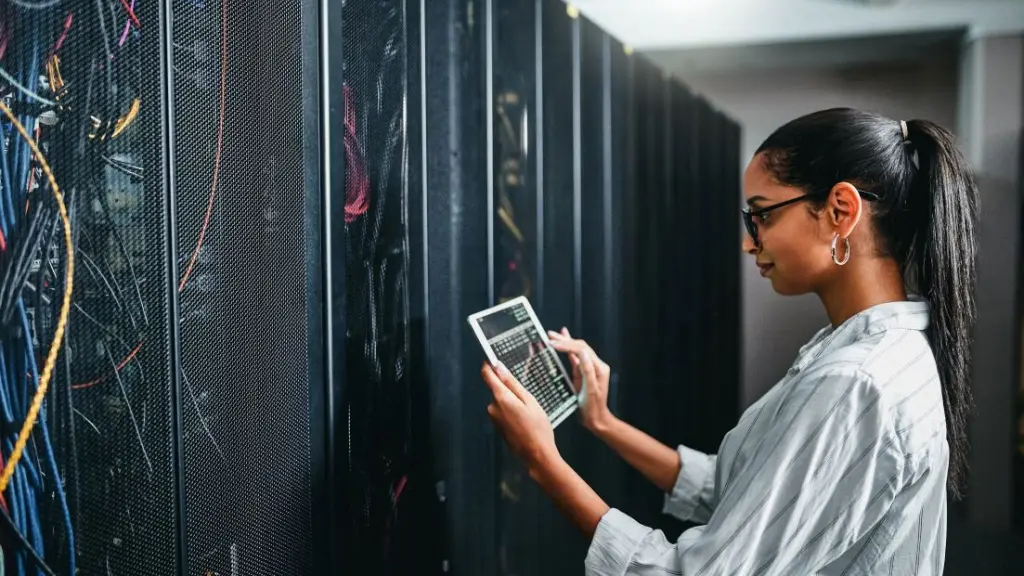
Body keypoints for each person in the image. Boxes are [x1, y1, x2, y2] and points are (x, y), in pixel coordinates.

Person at [480, 107, 977, 575]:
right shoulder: (880, 351)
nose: (748, 241)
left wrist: (542, 461)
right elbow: (741, 491)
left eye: (762, 215)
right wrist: (603, 422)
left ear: (840, 210)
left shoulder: (854, 383)